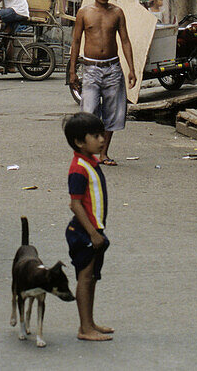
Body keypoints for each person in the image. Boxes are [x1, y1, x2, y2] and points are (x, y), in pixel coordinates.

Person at [68, 0, 136, 166]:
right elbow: (76, 41)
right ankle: (87, 154)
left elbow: (124, 40)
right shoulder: (84, 13)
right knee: (88, 113)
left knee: (112, 113)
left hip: (113, 68)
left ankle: (104, 154)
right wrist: (73, 71)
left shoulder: (117, 13)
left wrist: (131, 69)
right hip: (90, 69)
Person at [63, 111, 114, 343]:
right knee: (85, 277)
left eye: (101, 134)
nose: (102, 139)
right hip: (84, 232)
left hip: (94, 230)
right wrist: (93, 233)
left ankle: (90, 322)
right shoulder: (78, 169)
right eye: (96, 136)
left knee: (92, 276)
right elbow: (75, 205)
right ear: (80, 142)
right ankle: (84, 328)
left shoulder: (90, 162)